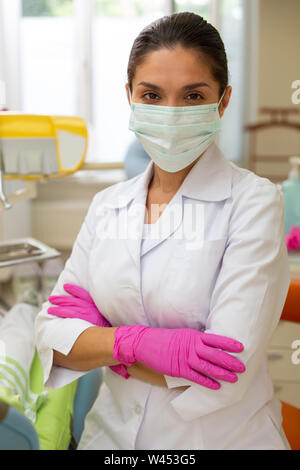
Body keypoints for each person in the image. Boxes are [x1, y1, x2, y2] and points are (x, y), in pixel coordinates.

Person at [35, 12, 291, 450]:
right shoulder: (107, 207)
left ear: (223, 101)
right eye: (151, 95)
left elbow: (225, 370)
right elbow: (51, 339)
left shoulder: (253, 202)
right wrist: (135, 344)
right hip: (111, 439)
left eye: (193, 96)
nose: (170, 114)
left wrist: (102, 345)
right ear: (130, 98)